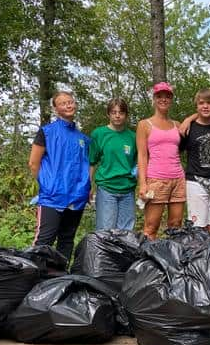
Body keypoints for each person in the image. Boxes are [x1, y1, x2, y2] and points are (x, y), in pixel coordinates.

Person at [28, 90, 90, 261]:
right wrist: (47, 185)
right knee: (44, 240)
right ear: (56, 109)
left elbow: (86, 165)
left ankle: (60, 279)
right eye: (63, 103)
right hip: (52, 197)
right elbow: (34, 162)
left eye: (70, 101)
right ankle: (33, 277)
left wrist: (85, 188)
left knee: (67, 239)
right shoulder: (47, 132)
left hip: (76, 198)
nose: (68, 105)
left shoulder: (83, 138)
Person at [135, 82, 186, 240]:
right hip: (156, 180)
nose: (163, 99)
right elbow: (142, 156)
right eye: (160, 96)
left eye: (167, 96)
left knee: (176, 224)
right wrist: (143, 183)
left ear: (171, 100)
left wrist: (192, 117)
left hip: (178, 179)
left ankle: (172, 260)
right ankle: (146, 262)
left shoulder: (177, 125)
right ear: (154, 99)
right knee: (151, 227)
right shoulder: (144, 124)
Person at [179, 88, 210, 235]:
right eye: (201, 103)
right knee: (198, 227)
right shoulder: (188, 128)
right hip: (196, 182)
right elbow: (176, 153)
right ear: (196, 106)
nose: (205, 106)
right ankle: (198, 256)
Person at [89, 98, 137, 231]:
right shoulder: (99, 134)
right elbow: (92, 162)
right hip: (106, 187)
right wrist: (88, 186)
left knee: (126, 232)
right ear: (108, 114)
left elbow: (139, 163)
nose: (117, 115)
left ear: (126, 115)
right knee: (105, 230)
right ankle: (103, 252)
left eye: (121, 112)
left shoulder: (133, 137)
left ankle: (124, 253)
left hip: (128, 188)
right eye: (114, 112)